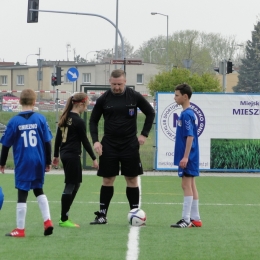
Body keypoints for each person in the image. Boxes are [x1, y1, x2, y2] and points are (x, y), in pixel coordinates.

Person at [89, 69, 155, 224]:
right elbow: (93, 121)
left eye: (119, 84)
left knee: (132, 179)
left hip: (129, 144)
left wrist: (144, 134)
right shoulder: (103, 99)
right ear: (109, 82)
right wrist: (96, 141)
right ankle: (102, 215)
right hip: (109, 144)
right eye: (113, 84)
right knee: (107, 179)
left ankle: (135, 214)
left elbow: (150, 113)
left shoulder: (134, 96)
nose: (116, 87)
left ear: (125, 81)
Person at [0, 89, 53, 237]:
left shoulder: (14, 121)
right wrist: (48, 161)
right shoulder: (40, 119)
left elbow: (5, 145)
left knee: (22, 193)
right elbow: (48, 142)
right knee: (38, 190)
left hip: (23, 161)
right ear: (34, 102)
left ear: (19, 101)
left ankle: (20, 229)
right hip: (38, 160)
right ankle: (47, 221)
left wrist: (2, 162)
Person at [52, 92, 98, 228]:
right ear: (81, 104)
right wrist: (94, 158)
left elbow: (58, 139)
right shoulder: (78, 121)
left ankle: (65, 215)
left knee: (76, 184)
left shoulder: (65, 118)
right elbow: (85, 141)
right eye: (86, 105)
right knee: (70, 185)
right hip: (72, 155)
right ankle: (64, 218)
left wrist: (55, 156)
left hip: (66, 154)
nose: (86, 108)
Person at [170, 83, 202, 228]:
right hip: (191, 156)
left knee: (185, 185)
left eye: (177, 95)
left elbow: (190, 137)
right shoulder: (186, 113)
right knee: (191, 185)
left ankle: (186, 219)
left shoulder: (187, 114)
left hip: (189, 156)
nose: (174, 98)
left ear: (185, 97)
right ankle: (196, 219)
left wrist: (185, 156)